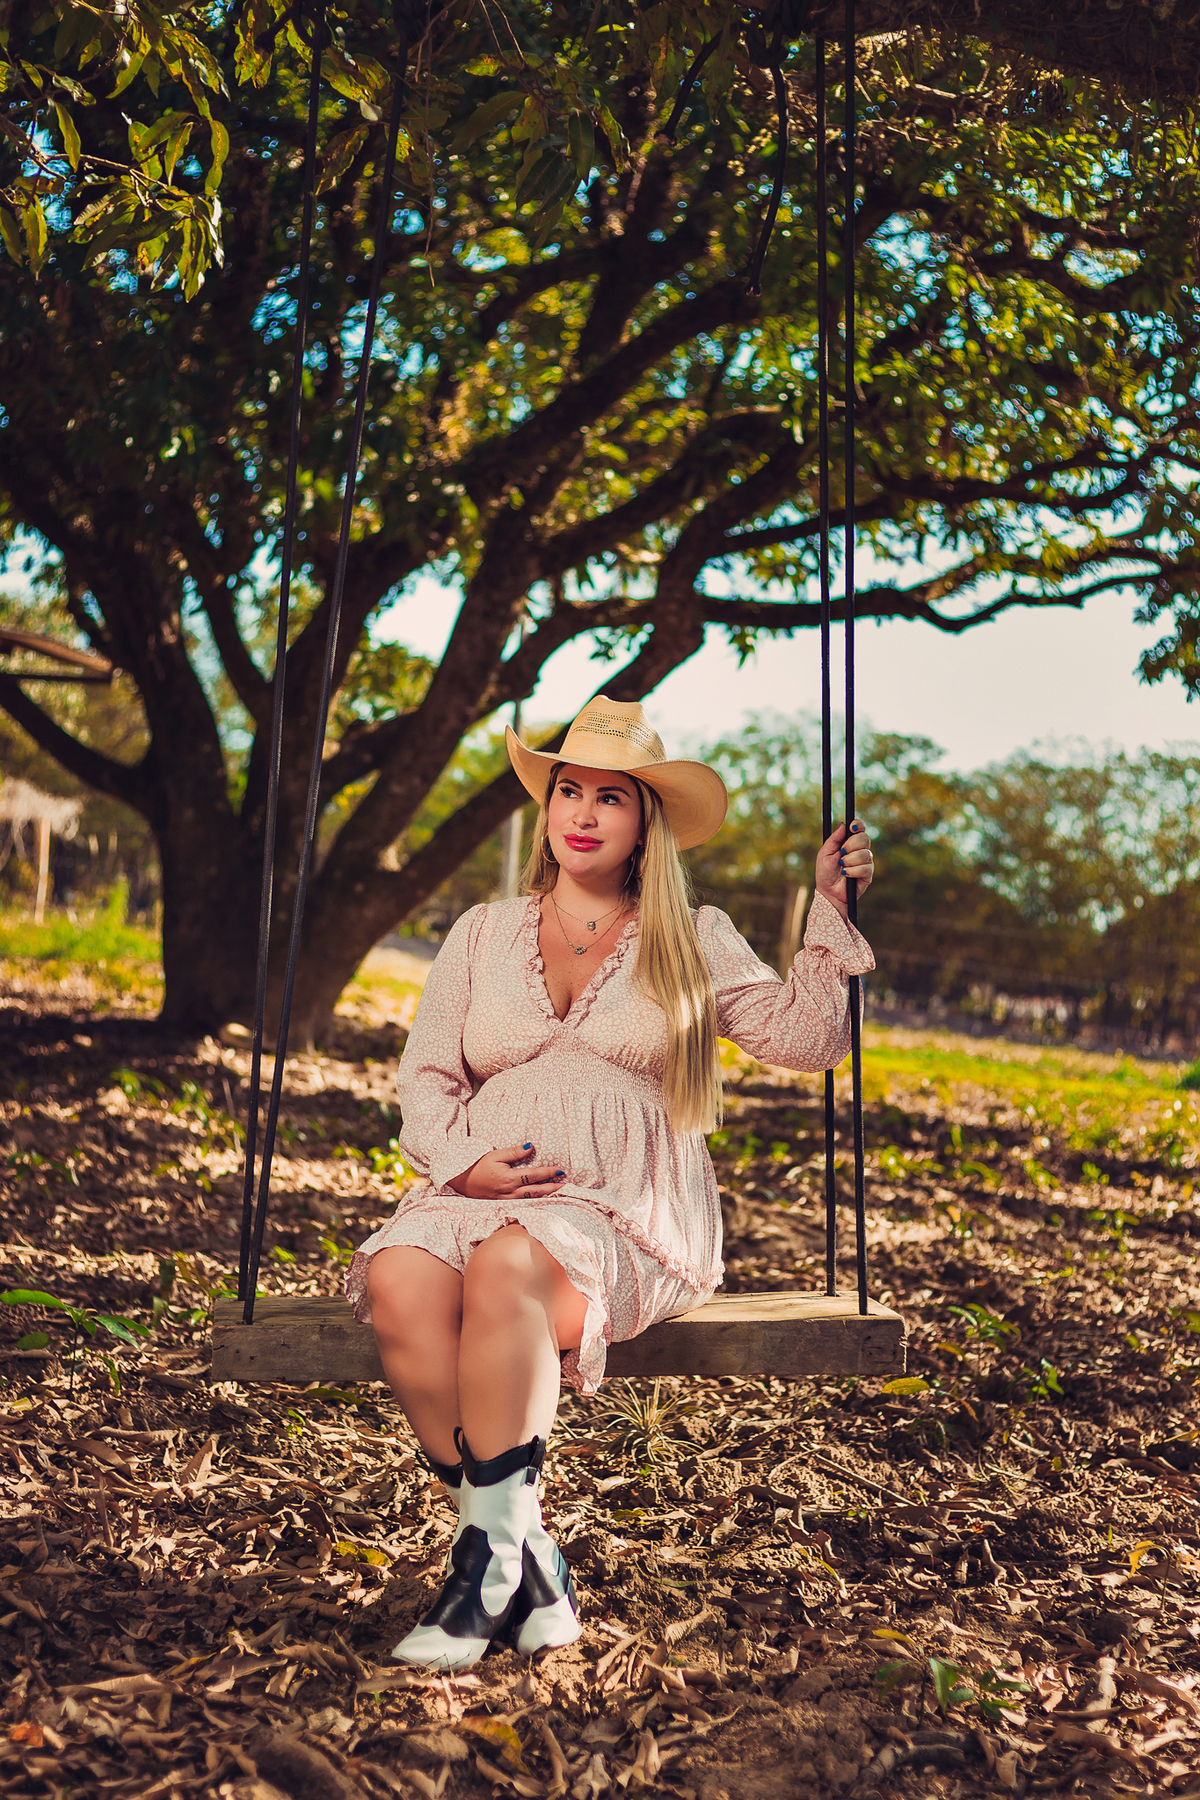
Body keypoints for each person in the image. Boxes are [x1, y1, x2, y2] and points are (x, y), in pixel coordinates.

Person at [347, 696, 876, 1670]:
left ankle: (481, 1579)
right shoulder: (479, 932)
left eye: (612, 799)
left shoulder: (692, 932)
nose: (583, 813)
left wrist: (829, 910)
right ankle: (519, 1548)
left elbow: (808, 1041)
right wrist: (462, 1160)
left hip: (625, 1208)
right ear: (547, 810)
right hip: (479, 1191)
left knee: (511, 1268)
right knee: (400, 1280)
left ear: (647, 823)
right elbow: (426, 1077)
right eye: (568, 791)